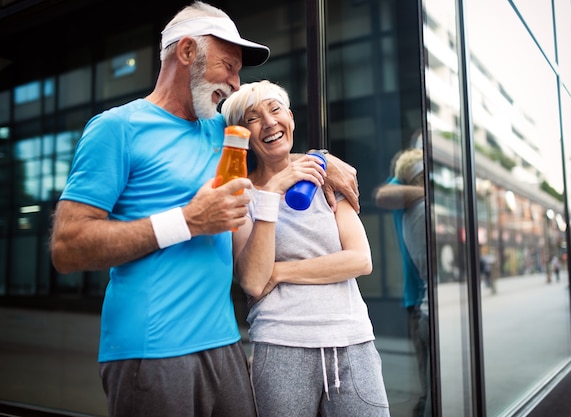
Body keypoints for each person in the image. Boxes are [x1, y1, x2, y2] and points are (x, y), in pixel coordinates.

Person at [49, 3, 358, 417]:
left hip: (225, 345)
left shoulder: (222, 130)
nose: (235, 82)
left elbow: (274, 143)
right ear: (188, 52)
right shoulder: (116, 128)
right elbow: (68, 248)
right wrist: (188, 222)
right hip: (151, 349)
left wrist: (323, 159)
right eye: (228, 67)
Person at [220, 80, 390, 417]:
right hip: (280, 345)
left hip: (352, 341)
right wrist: (271, 192)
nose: (269, 122)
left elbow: (360, 259)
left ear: (291, 119)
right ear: (243, 135)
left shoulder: (328, 180)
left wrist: (280, 272)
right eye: (253, 118)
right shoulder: (241, 196)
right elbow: (254, 281)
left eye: (275, 109)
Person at [374, 146, 430, 417]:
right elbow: (383, 195)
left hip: (434, 294)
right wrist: (429, 192)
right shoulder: (406, 177)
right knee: (427, 375)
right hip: (417, 296)